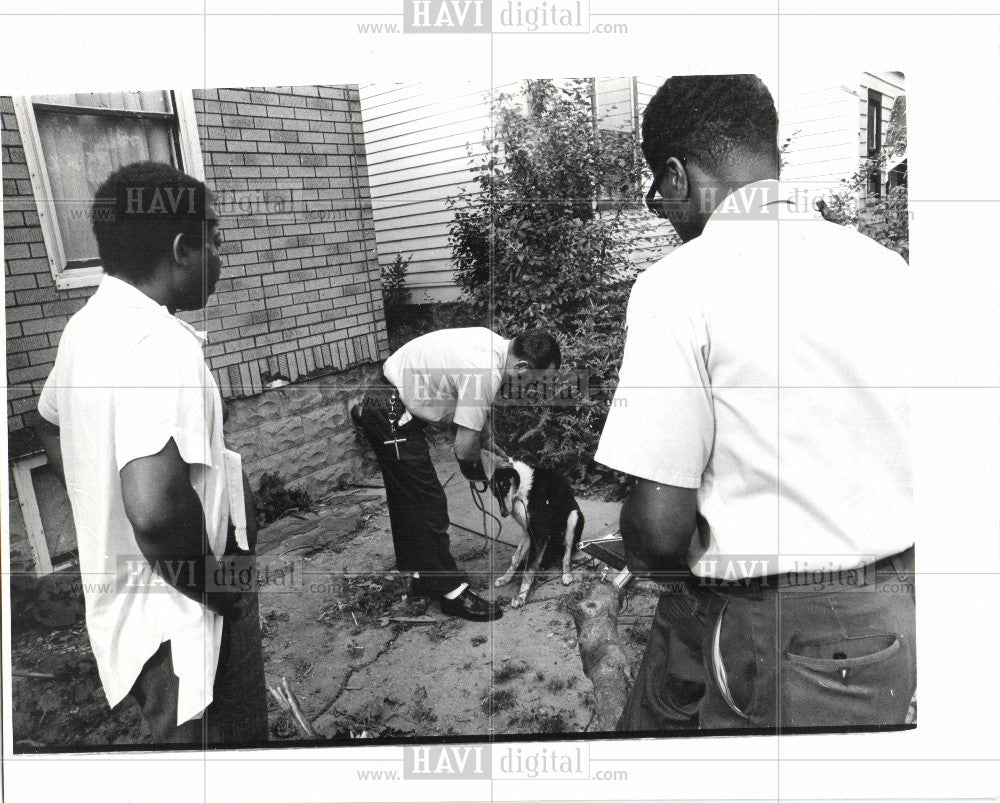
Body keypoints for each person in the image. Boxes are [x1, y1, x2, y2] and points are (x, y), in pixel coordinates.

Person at [595, 75, 915, 730]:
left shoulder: (679, 284)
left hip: (781, 629)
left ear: (678, 177)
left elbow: (659, 531)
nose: (662, 209)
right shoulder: (887, 269)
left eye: (659, 191)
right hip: (887, 619)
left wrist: (638, 542)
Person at [36, 161, 268, 745]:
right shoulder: (162, 345)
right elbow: (158, 512)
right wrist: (223, 593)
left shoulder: (85, 328)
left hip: (130, 610)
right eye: (216, 239)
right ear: (182, 248)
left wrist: (97, 501)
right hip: (180, 618)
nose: (223, 256)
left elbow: (47, 424)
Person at [354, 327, 561, 621]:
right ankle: (453, 594)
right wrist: (482, 472)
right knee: (427, 503)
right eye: (535, 382)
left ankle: (423, 578)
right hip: (390, 410)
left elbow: (466, 405)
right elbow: (463, 450)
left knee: (408, 499)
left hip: (384, 397)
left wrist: (484, 440)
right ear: (523, 366)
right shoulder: (486, 373)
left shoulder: (492, 345)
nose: (532, 389)